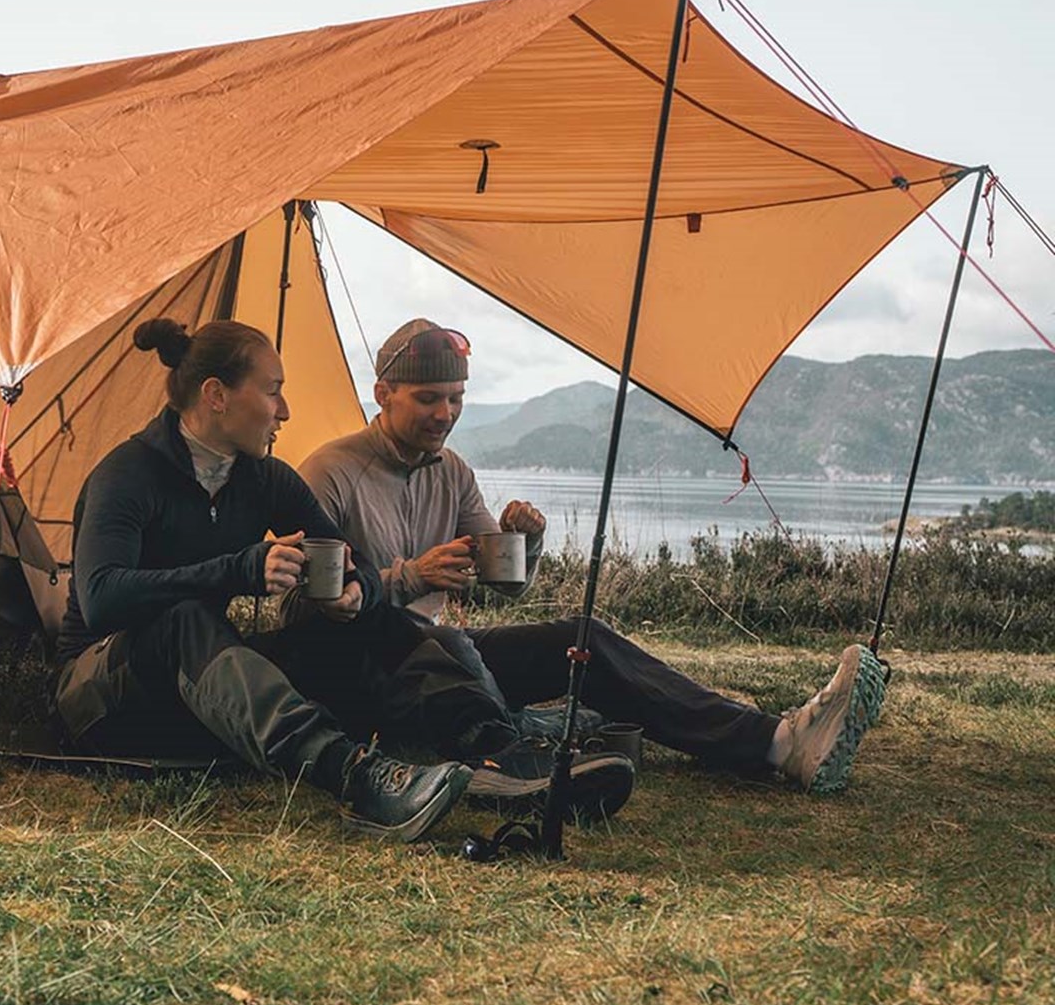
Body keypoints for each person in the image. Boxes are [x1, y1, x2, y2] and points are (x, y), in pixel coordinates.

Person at [54, 317, 631, 842]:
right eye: (273, 390)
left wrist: (358, 592)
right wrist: (240, 568)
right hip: (106, 695)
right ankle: (355, 775)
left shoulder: (264, 479)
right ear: (217, 396)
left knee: (366, 625)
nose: (284, 412)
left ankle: (498, 750)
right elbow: (103, 599)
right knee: (184, 620)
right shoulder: (126, 476)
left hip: (197, 699)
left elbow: (349, 560)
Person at [297, 318, 884, 795]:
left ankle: (778, 743)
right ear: (382, 394)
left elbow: (509, 584)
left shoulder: (453, 471)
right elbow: (305, 605)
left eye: (456, 399)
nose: (445, 414)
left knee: (582, 637)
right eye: (428, 399)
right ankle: (523, 755)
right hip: (366, 673)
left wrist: (526, 541)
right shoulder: (331, 471)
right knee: (445, 642)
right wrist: (410, 577)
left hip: (446, 667)